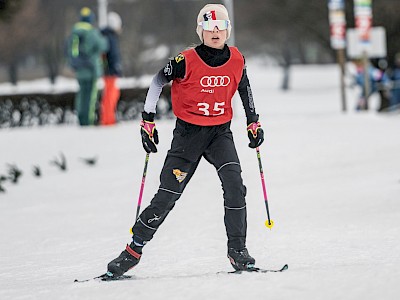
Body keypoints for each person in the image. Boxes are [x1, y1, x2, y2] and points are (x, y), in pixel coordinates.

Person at [106, 4, 265, 278]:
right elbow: (157, 83)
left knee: (235, 186)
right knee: (168, 194)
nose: (215, 32)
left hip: (219, 134)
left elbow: (244, 87)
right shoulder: (185, 60)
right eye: (209, 28)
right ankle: (133, 250)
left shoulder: (237, 59)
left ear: (227, 30)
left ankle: (237, 251)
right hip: (188, 136)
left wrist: (253, 120)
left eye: (220, 27)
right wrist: (147, 120)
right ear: (200, 31)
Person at [66, 7, 108, 126]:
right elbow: (103, 46)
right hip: (91, 69)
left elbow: (69, 51)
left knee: (82, 95)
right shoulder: (92, 32)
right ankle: (88, 121)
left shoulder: (74, 32)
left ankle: (81, 119)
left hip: (79, 70)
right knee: (91, 97)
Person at [100, 12, 123, 126]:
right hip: (110, 72)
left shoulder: (105, 35)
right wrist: (116, 67)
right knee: (110, 95)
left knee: (110, 95)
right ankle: (108, 119)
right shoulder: (111, 37)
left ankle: (108, 118)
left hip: (107, 70)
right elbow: (113, 55)